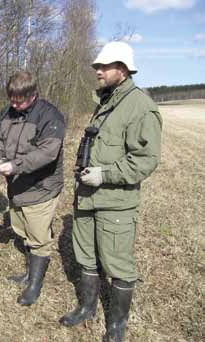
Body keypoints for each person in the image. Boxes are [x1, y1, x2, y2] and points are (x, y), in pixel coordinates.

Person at [59, 41, 162, 342]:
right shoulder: (105, 102)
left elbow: (146, 159)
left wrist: (105, 174)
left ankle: (116, 326)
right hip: (88, 199)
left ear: (122, 69)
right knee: (87, 257)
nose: (98, 71)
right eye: (97, 67)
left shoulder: (141, 106)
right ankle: (87, 307)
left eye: (104, 67)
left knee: (118, 266)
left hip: (115, 204)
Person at [0, 70, 66, 306]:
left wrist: (16, 165)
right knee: (22, 230)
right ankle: (29, 273)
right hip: (17, 185)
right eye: (11, 99)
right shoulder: (7, 111)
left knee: (39, 237)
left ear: (33, 94)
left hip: (41, 186)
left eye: (19, 100)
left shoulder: (50, 116)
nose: (14, 104)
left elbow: (47, 153)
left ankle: (34, 284)